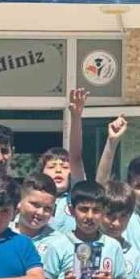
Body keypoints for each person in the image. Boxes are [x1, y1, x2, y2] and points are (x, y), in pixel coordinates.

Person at [46, 182, 127, 279]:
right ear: (72, 211)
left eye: (96, 210)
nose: (90, 216)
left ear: (103, 212)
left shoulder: (113, 246)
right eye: (83, 209)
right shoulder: (57, 245)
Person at [44, 88, 89, 233]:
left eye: (64, 166)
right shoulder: (35, 202)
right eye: (51, 167)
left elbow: (75, 157)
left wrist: (76, 116)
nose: (58, 170)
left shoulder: (77, 195)